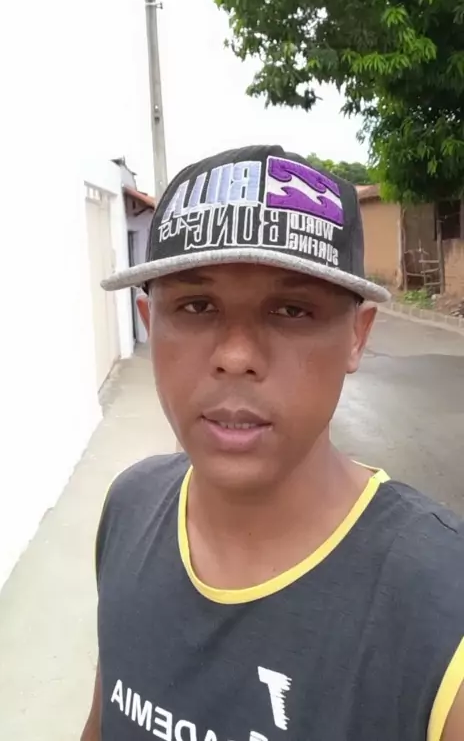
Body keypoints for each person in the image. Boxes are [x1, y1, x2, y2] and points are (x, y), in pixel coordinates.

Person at [82, 146, 464, 741]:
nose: (236, 356)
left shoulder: (441, 608)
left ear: (357, 336)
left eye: (292, 309)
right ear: (150, 324)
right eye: (196, 305)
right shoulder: (129, 509)